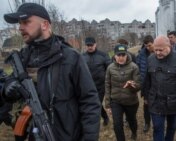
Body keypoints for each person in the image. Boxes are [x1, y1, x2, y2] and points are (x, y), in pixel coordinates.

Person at [1, 3, 101, 141]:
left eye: (26, 22)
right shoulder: (23, 57)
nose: (20, 28)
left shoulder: (70, 57)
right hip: (31, 134)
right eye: (19, 23)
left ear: (45, 25)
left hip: (66, 135)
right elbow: (11, 80)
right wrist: (8, 87)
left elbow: (90, 101)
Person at [144, 35, 176, 141]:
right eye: (155, 50)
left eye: (160, 50)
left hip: (173, 101)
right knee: (157, 127)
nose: (157, 53)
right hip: (155, 101)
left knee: (172, 127)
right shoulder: (150, 59)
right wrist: (146, 96)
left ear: (169, 46)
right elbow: (147, 80)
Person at [105, 44, 140, 141]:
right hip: (116, 101)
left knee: (132, 120)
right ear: (114, 55)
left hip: (131, 101)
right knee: (117, 125)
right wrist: (107, 104)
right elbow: (107, 85)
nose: (121, 57)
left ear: (127, 55)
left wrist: (132, 85)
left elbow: (138, 86)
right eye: (118, 55)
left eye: (123, 55)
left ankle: (134, 132)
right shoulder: (110, 68)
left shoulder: (134, 67)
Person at [82, 37, 111, 126]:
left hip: (100, 85)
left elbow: (109, 68)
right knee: (92, 103)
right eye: (88, 45)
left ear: (95, 44)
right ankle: (105, 117)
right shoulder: (82, 57)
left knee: (96, 103)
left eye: (91, 45)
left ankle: (96, 122)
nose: (90, 47)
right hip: (88, 85)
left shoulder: (103, 55)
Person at [136, 35, 154, 133]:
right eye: (146, 46)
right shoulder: (141, 54)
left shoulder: (159, 51)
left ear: (153, 42)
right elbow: (137, 67)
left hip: (157, 81)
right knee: (146, 104)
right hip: (145, 83)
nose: (148, 48)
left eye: (150, 45)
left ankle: (158, 122)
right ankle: (147, 122)